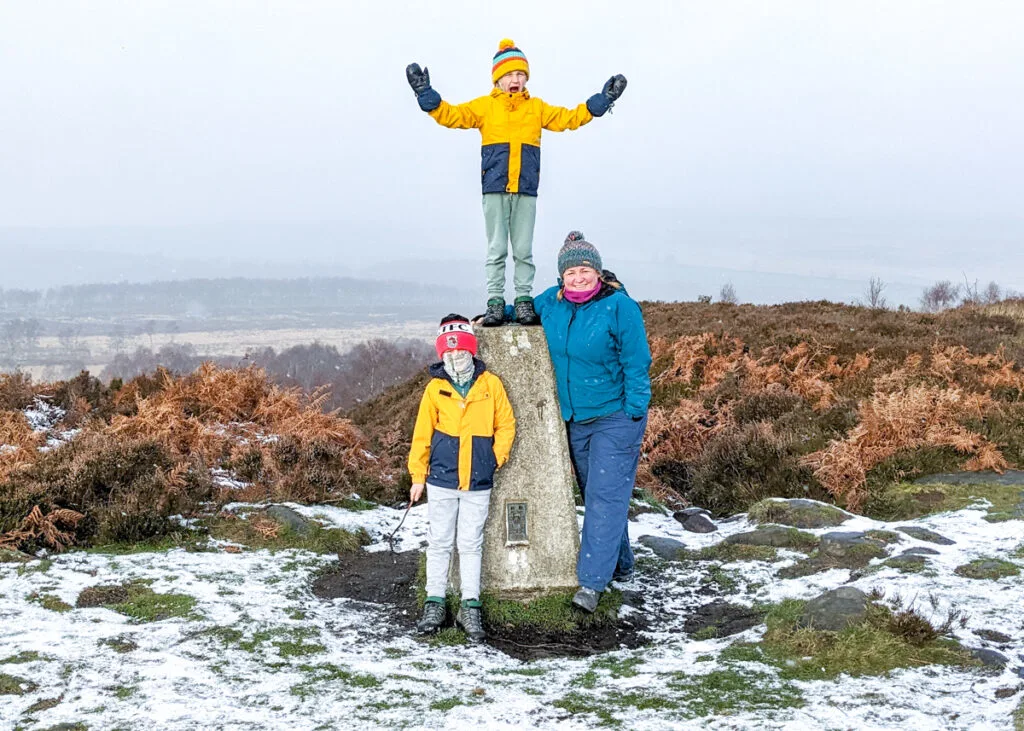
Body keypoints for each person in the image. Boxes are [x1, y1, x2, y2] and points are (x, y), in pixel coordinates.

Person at [405, 39, 627, 327]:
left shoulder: (536, 108)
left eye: (520, 74)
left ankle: (523, 301)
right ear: (497, 79)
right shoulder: (484, 107)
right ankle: (495, 301)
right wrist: (426, 95)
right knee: (496, 249)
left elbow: (569, 118)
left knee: (523, 250)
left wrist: (601, 101)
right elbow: (452, 116)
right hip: (495, 188)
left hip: (525, 188)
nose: (515, 80)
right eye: (509, 75)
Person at [533, 231, 651, 613]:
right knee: (599, 493)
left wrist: (634, 410)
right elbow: (523, 311)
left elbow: (637, 363)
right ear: (560, 277)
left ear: (598, 272)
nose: (578, 277)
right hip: (575, 420)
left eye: (585, 269)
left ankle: (591, 584)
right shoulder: (552, 304)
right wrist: (488, 317)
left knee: (603, 496)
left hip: (615, 416)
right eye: (571, 271)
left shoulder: (620, 307)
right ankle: (621, 563)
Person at [408, 314, 516, 640]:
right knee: (439, 543)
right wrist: (417, 475)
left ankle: (471, 608)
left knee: (471, 544)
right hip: (440, 480)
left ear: (471, 351)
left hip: (477, 482)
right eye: (449, 353)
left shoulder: (491, 385)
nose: (456, 358)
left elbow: (506, 425)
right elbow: (422, 435)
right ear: (442, 355)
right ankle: (435, 604)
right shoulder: (435, 389)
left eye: (461, 352)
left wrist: (494, 458)